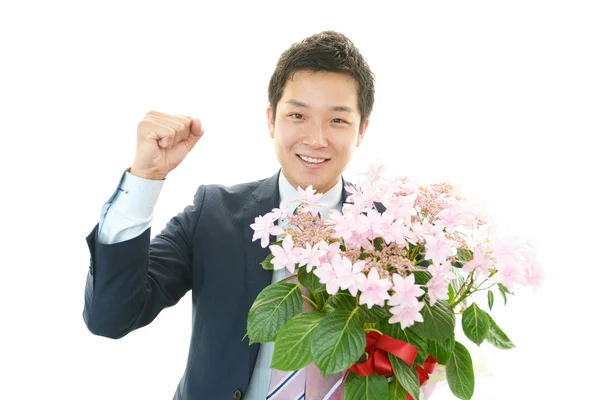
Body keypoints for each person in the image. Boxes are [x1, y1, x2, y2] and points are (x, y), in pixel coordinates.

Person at [83, 30, 375, 400]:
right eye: (297, 115)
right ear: (272, 120)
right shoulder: (213, 214)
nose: (316, 139)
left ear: (362, 129)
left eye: (338, 121)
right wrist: (145, 179)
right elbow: (110, 317)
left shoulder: (398, 233)